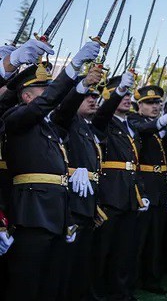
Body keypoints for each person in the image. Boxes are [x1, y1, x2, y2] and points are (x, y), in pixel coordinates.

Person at [2, 40, 100, 300]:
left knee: (50, 282)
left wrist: (81, 84)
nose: (48, 95)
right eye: (42, 90)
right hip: (31, 212)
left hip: (56, 211)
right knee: (26, 283)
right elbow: (45, 105)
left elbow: (65, 110)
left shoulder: (48, 126)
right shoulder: (16, 118)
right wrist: (72, 67)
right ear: (26, 96)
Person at [91, 71, 151, 300]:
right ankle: (97, 294)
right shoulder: (104, 121)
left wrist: (141, 193)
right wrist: (117, 94)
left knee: (125, 251)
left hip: (129, 193)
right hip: (109, 194)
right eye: (122, 94)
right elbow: (102, 114)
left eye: (128, 95)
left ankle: (122, 292)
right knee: (102, 250)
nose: (127, 98)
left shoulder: (131, 125)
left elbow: (134, 163)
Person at [49, 66, 104, 301]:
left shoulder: (87, 127)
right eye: (87, 96)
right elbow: (64, 110)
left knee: (82, 257)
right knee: (66, 260)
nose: (92, 100)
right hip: (71, 200)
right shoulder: (66, 120)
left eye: (95, 96)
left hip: (88, 199)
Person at [129, 85, 167, 296]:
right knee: (138, 240)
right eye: (149, 103)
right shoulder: (135, 121)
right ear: (139, 105)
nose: (155, 106)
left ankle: (152, 279)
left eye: (157, 103)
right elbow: (145, 129)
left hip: (159, 187)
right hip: (143, 187)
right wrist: (164, 120)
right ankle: (131, 282)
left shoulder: (160, 127)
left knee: (155, 239)